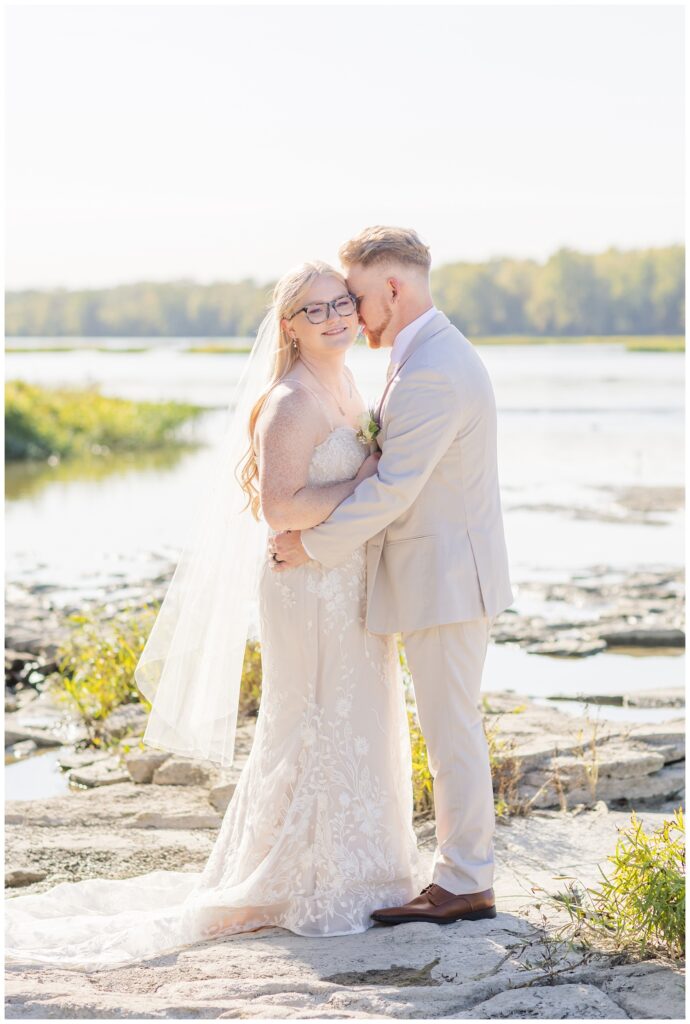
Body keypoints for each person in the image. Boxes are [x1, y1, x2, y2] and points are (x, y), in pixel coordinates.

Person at [5, 261, 419, 970]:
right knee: (309, 717)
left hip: (346, 580)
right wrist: (362, 478)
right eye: (314, 311)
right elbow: (279, 508)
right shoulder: (289, 401)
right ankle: (300, 881)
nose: (334, 319)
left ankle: (364, 871)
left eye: (341, 305)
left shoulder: (351, 383)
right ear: (288, 327)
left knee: (360, 710)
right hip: (302, 586)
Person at [271, 226, 514, 926]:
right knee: (450, 726)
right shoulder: (423, 354)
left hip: (448, 579)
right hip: (441, 574)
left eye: (355, 296)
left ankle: (466, 880)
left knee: (451, 729)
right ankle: (461, 873)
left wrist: (311, 547)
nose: (350, 312)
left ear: (394, 289)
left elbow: (393, 490)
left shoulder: (435, 368)